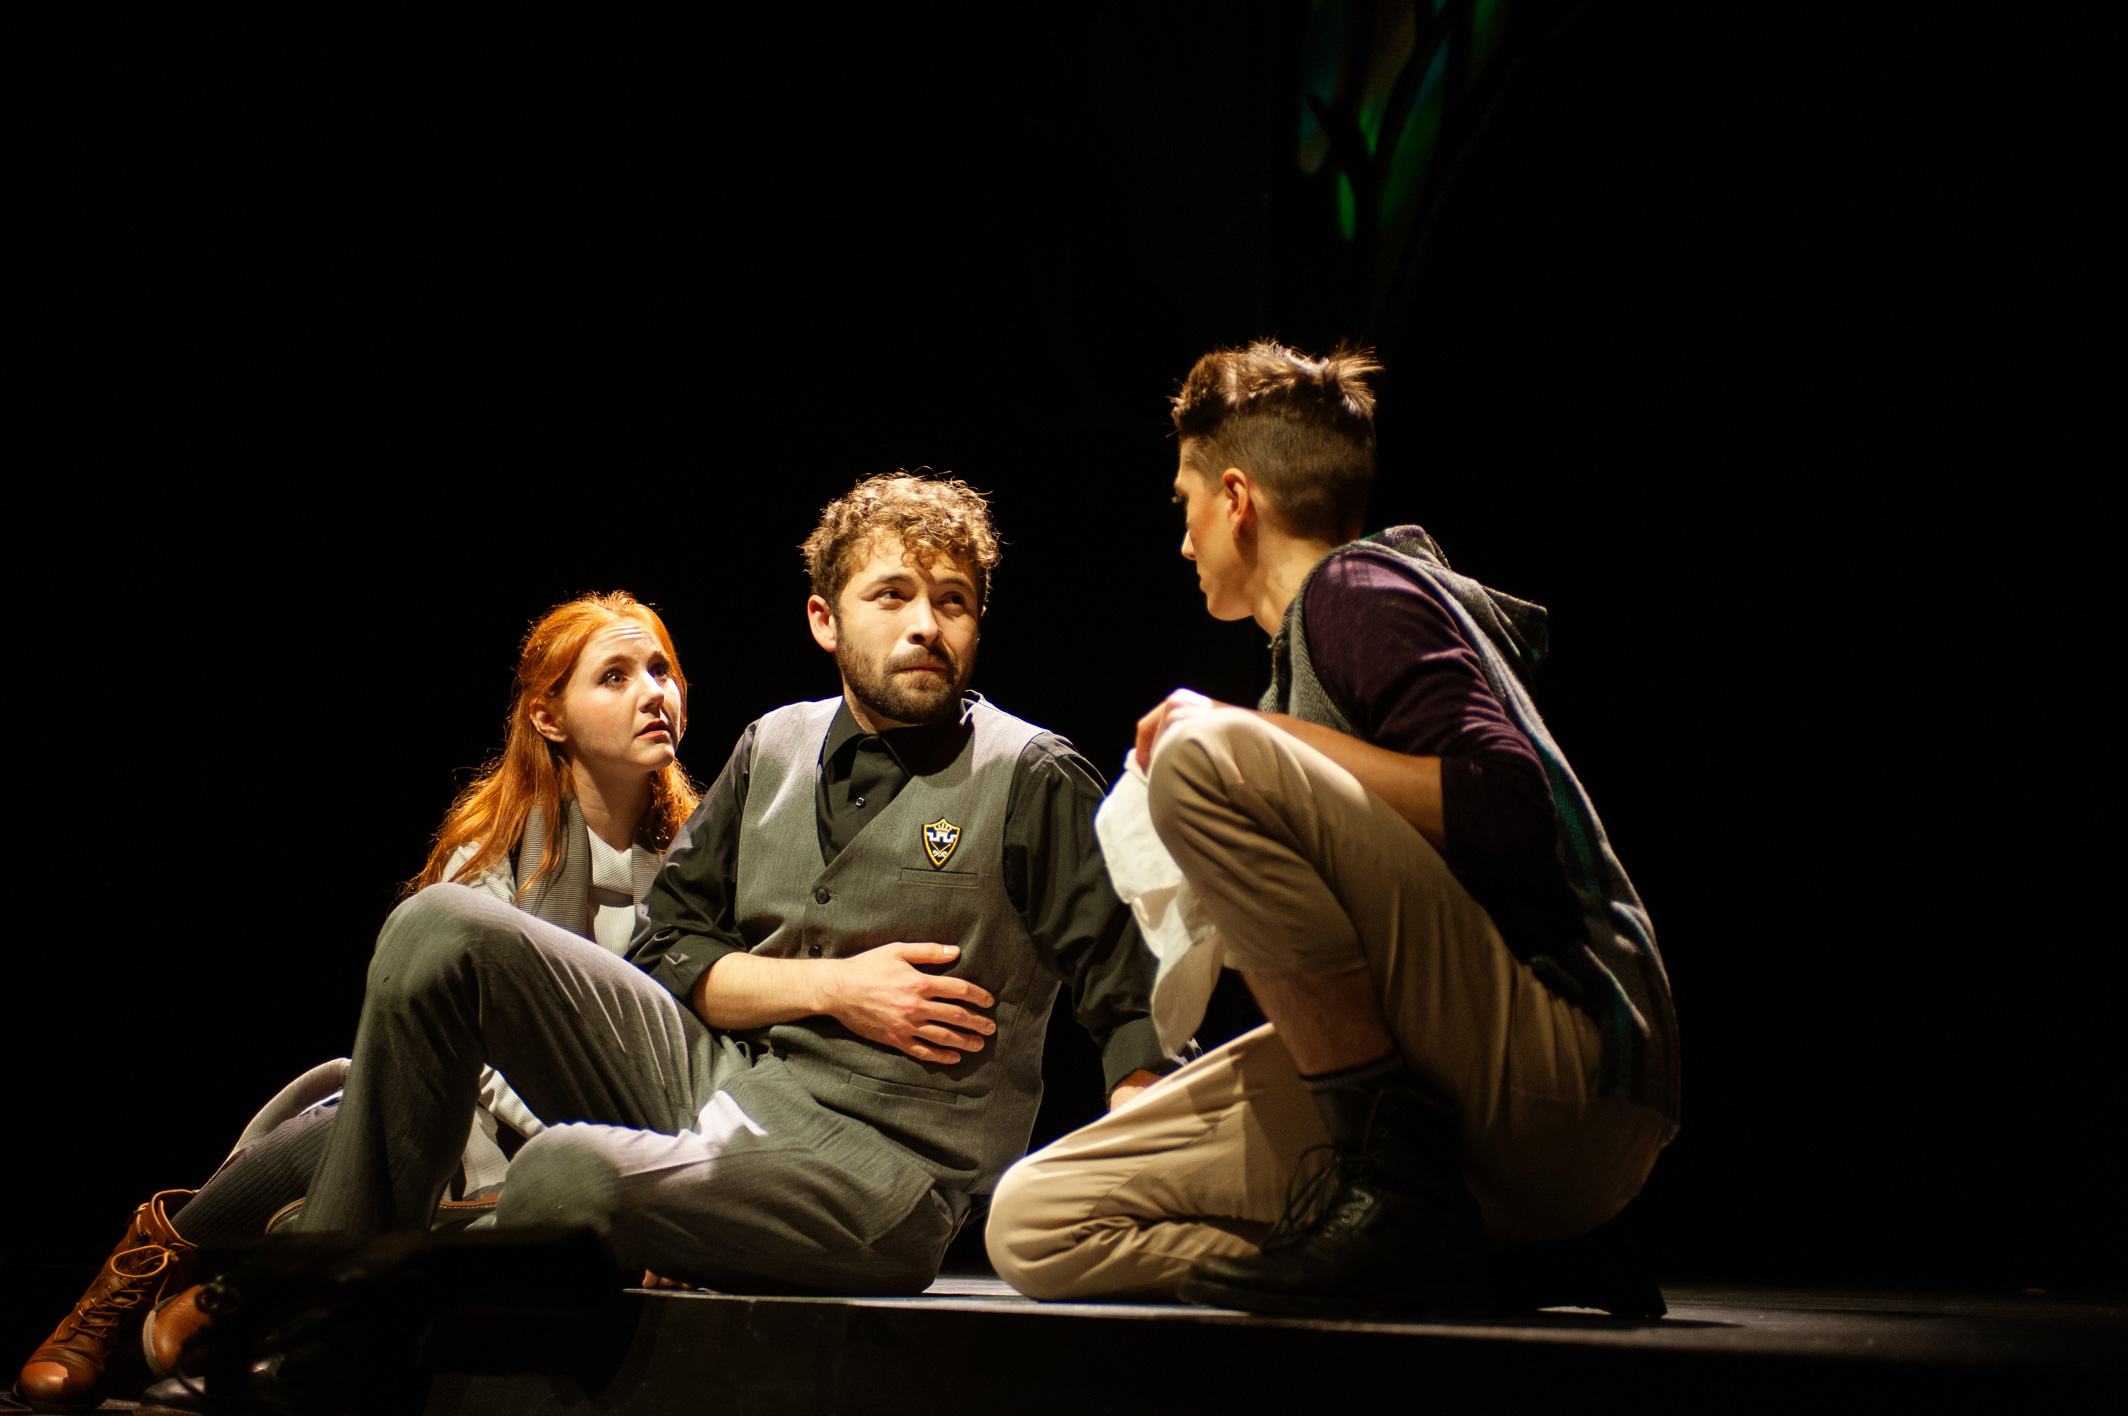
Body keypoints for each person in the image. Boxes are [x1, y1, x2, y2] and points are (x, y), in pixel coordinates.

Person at [275, 473, 1170, 1299]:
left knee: (563, 1175)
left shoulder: (1030, 775)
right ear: (825, 620)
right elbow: (668, 945)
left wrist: (1140, 1171)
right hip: (727, 1088)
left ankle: (366, 1283)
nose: (927, 625)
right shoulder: (771, 746)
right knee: (439, 926)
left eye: (954, 602)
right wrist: (836, 988)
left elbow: (1134, 996)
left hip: (882, 1172)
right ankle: (311, 1312)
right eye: (893, 595)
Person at [985, 341, 1681, 1319]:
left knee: (1199, 746)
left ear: (1236, 500)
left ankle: (1391, 1189)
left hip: (1573, 1066)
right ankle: (1495, 1257)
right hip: (1479, 1123)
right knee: (1035, 1223)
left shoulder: (1357, 592)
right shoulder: (1296, 668)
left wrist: (1241, 734)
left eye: (1186, 504)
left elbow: (1509, 807)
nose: (1183, 543)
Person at [14, 591, 700, 1413]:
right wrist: (566, 1128)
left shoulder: (698, 867)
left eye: (661, 670)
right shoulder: (495, 856)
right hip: (482, 1125)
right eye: (615, 676)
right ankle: (135, 1277)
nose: (652, 692)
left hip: (606, 1146)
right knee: (366, 1106)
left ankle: (261, 1284)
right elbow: (476, 1051)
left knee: (531, 1203)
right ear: (549, 718)